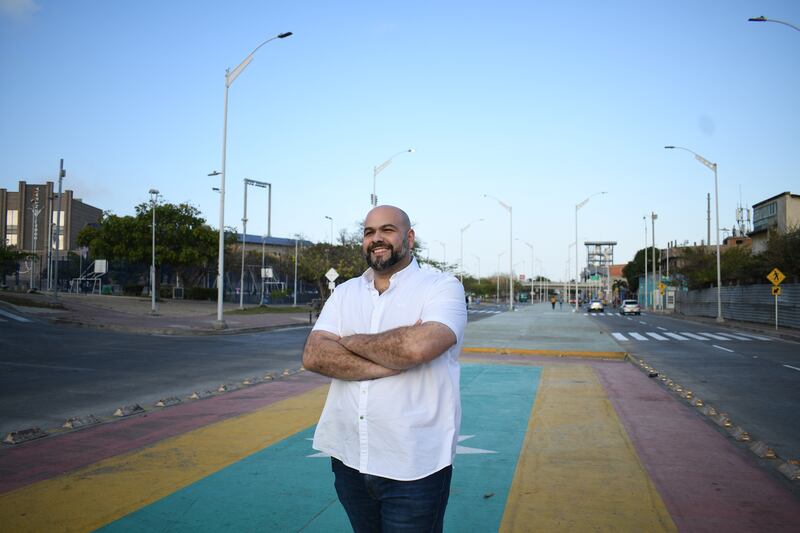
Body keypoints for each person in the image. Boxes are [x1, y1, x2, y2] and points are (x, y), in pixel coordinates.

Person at [302, 205, 467, 533]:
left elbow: (418, 347)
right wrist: (390, 360)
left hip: (414, 464)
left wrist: (346, 340)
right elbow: (314, 355)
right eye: (369, 232)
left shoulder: (441, 287)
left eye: (387, 230)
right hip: (350, 458)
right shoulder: (345, 292)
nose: (377, 238)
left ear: (409, 237)